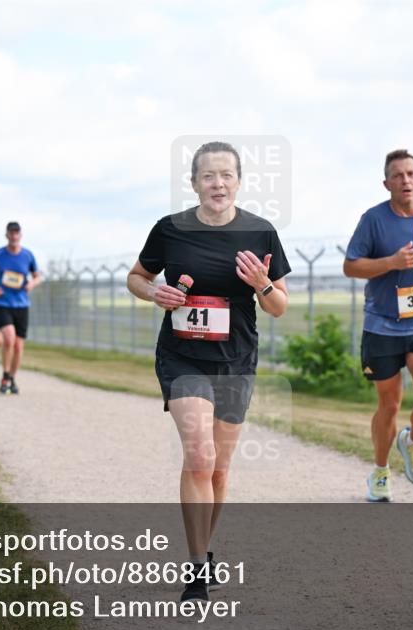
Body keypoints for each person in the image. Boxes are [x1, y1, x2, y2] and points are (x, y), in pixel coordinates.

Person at [127, 141, 291, 603]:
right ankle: (197, 565)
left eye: (226, 175)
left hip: (236, 357)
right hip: (182, 356)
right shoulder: (170, 230)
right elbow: (136, 277)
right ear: (194, 182)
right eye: (208, 176)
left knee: (219, 468)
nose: (217, 184)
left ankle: (206, 548)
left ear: (238, 181)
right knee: (199, 457)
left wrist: (261, 284)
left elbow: (278, 306)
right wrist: (153, 292)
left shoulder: (260, 233)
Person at [343, 149, 413, 502]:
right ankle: (380, 471)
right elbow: (351, 266)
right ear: (386, 183)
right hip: (383, 326)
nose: (405, 180)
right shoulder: (374, 220)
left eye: (411, 173)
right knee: (389, 405)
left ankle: (412, 441)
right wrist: (391, 262)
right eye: (397, 175)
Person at [0, 223, 42, 394]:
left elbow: (38, 276)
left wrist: (32, 283)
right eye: (11, 234)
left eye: (17, 233)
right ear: (6, 235)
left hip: (22, 305)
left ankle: (12, 377)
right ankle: (5, 374)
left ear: (20, 235)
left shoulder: (27, 255)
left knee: (18, 346)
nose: (14, 237)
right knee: (9, 339)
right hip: (3, 304)